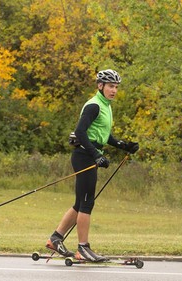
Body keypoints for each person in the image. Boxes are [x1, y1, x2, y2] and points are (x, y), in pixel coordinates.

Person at [46, 69, 139, 262]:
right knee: (87, 203)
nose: (114, 90)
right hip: (84, 156)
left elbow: (103, 135)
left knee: (80, 202)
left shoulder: (105, 105)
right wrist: (96, 155)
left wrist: (124, 145)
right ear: (100, 86)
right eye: (111, 86)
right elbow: (80, 132)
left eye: (116, 87)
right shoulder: (94, 106)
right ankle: (83, 248)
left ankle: (56, 238)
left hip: (88, 155)